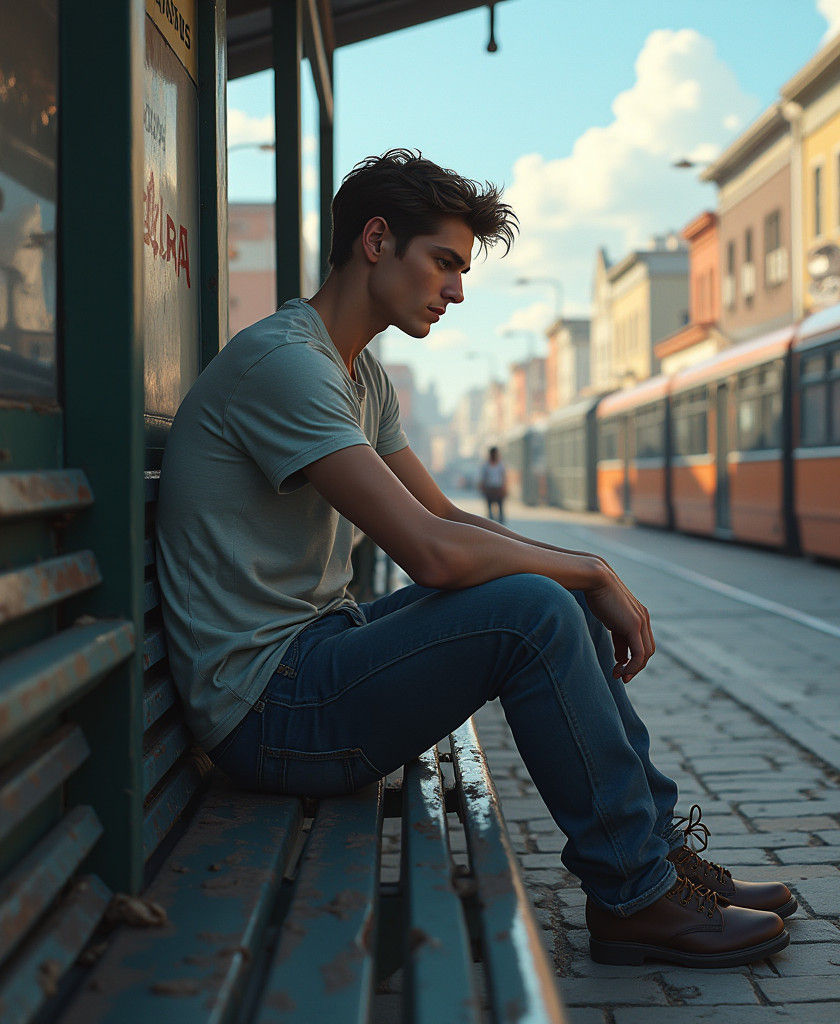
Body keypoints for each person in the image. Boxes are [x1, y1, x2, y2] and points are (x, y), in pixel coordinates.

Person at [156, 149, 795, 969]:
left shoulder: (357, 373)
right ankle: (634, 896)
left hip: (309, 665)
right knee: (532, 609)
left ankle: (658, 858)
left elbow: (448, 516)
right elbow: (430, 553)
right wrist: (591, 572)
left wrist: (574, 565)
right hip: (269, 715)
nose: (457, 290)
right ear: (377, 240)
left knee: (538, 591)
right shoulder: (287, 364)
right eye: (445, 263)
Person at [479, 445, 507, 523]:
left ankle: (501, 526)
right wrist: (483, 488)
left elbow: (503, 476)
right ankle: (491, 524)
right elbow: (483, 477)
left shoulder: (500, 464)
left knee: (500, 509)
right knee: (490, 510)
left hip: (498, 488)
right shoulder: (486, 465)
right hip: (489, 489)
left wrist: (504, 488)